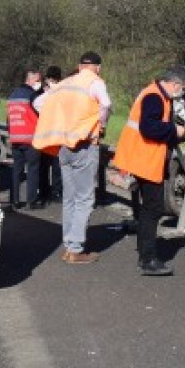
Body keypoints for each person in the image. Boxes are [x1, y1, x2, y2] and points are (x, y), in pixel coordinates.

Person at [114, 66, 185, 276]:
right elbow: (149, 128)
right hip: (146, 160)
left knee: (149, 210)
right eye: (182, 90)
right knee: (153, 210)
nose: (181, 94)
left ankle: (146, 255)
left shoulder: (155, 94)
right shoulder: (154, 97)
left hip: (144, 159)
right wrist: (177, 130)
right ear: (175, 84)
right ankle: (148, 258)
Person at [33, 51, 112, 264]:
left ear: (79, 66)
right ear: (98, 67)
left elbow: (39, 103)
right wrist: (101, 124)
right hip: (84, 144)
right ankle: (76, 250)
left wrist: (60, 121)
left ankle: (68, 246)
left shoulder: (65, 83)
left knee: (69, 197)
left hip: (63, 147)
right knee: (85, 198)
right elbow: (105, 104)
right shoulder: (95, 82)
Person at [6, 67, 44, 209]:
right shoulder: (32, 95)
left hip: (15, 138)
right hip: (31, 138)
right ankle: (31, 201)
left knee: (16, 170)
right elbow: (41, 114)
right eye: (38, 79)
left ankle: (14, 201)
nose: (39, 82)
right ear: (31, 79)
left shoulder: (13, 95)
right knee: (33, 169)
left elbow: (8, 118)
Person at [38, 65, 64, 204]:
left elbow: (35, 104)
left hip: (44, 133)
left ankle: (44, 191)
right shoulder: (61, 91)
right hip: (57, 134)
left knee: (44, 165)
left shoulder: (40, 92)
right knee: (56, 166)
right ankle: (56, 192)